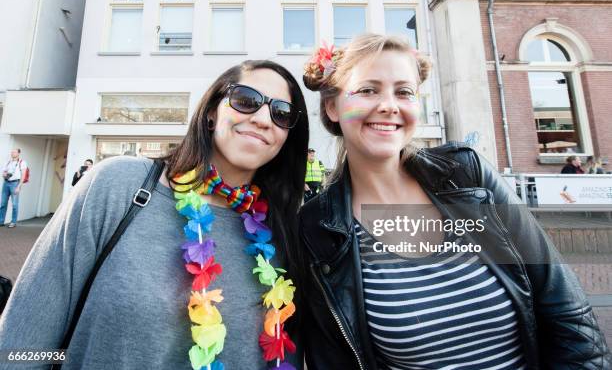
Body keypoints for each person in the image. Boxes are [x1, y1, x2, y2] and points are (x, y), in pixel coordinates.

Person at [297, 34, 611, 369]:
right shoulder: (318, 226)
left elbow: (568, 315)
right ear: (332, 106)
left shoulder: (466, 174)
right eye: (368, 90)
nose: (389, 105)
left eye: (404, 92)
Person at [0, 60, 308, 369]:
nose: (263, 119)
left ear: (286, 138)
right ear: (213, 112)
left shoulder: (282, 233)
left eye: (281, 114)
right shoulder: (118, 186)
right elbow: (20, 345)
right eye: (246, 100)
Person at [0, 148, 28, 228]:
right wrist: (4, 174)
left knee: (15, 204)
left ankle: (13, 222)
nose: (12, 153)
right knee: (2, 203)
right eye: (12, 152)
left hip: (15, 183)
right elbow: (3, 172)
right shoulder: (8, 162)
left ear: (19, 153)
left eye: (14, 152)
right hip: (6, 183)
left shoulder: (22, 162)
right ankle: (1, 221)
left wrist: (19, 186)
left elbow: (23, 175)